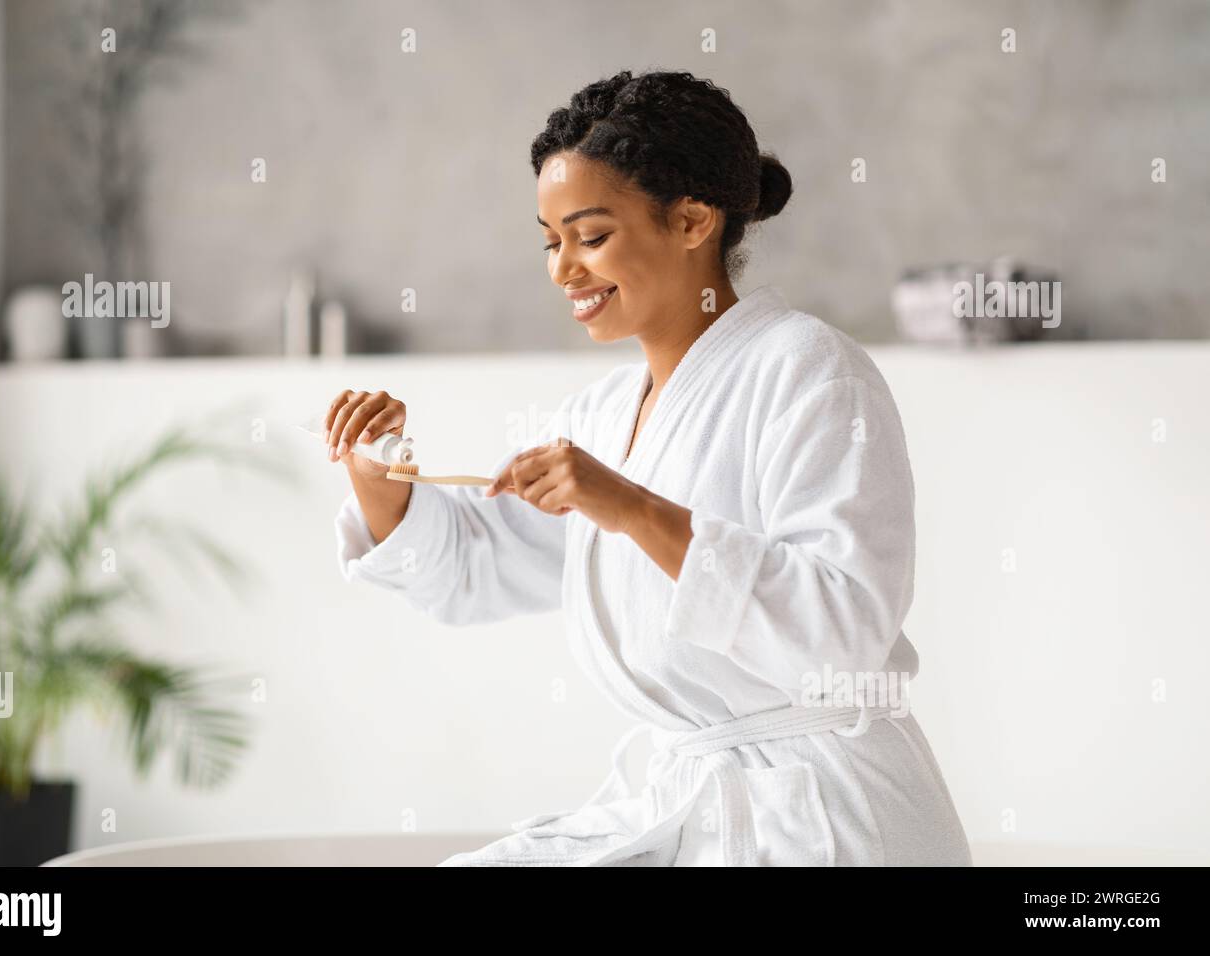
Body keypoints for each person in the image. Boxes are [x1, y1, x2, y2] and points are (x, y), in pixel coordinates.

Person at [326, 70, 972, 866]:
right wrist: (379, 482)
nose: (563, 269)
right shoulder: (600, 416)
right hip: (694, 798)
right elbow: (474, 568)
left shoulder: (810, 372)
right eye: (550, 240)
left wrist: (631, 507)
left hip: (826, 816)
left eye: (590, 237)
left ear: (693, 219)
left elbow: (840, 636)